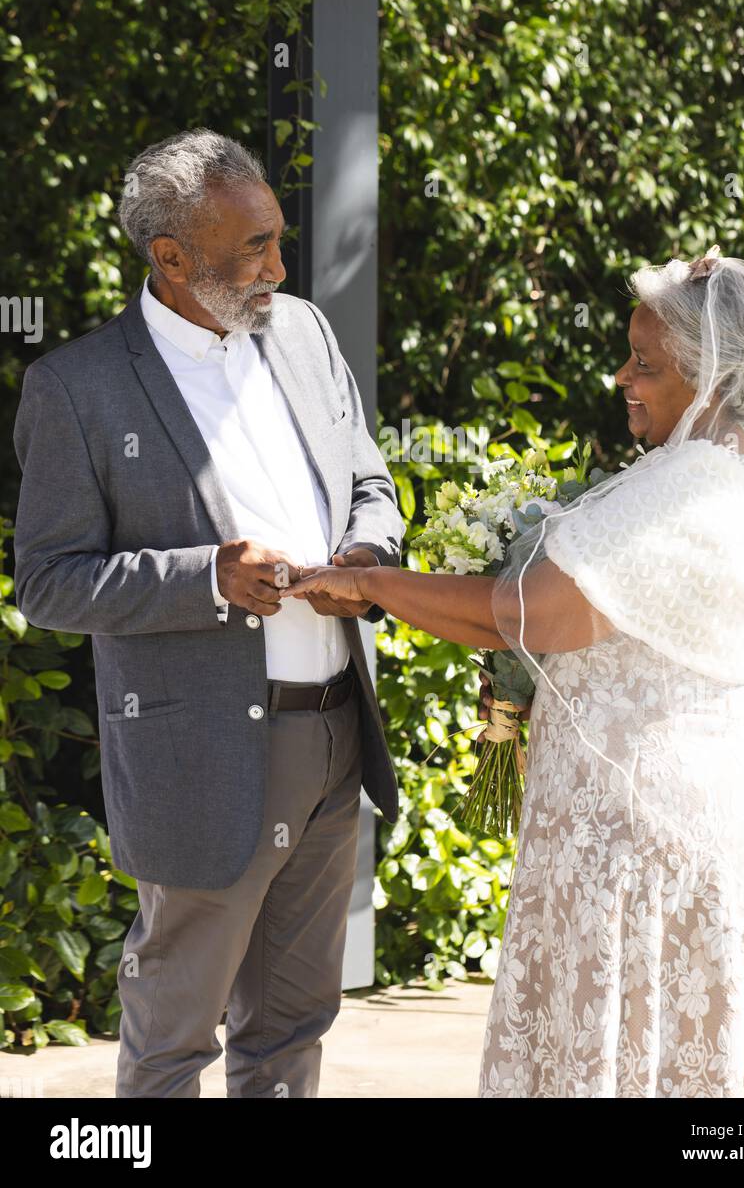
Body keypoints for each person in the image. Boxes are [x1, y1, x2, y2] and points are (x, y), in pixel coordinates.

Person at [287, 246, 744, 1098]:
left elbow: (524, 613)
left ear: (712, 378)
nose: (621, 378)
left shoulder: (684, 490)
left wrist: (369, 583)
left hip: (637, 837)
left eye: (646, 364)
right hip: (730, 817)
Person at [12, 128, 405, 1098]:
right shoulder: (78, 387)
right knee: (174, 1035)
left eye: (279, 240)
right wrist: (207, 576)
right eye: (253, 251)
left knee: (293, 1024)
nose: (278, 265)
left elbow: (370, 479)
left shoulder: (305, 333)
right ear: (172, 258)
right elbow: (49, 581)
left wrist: (369, 551)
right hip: (204, 753)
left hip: (334, 732)